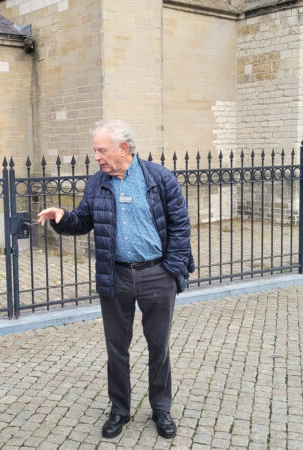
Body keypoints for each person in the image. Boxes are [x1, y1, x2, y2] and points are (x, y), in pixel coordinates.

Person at [37, 119, 194, 439]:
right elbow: (83, 221)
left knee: (158, 345)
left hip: (156, 274)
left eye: (101, 150)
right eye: (95, 150)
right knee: (116, 347)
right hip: (116, 275)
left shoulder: (159, 178)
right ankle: (119, 409)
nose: (96, 156)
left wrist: (170, 269)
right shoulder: (97, 183)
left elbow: (180, 227)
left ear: (123, 149)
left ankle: (161, 408)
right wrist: (62, 217)